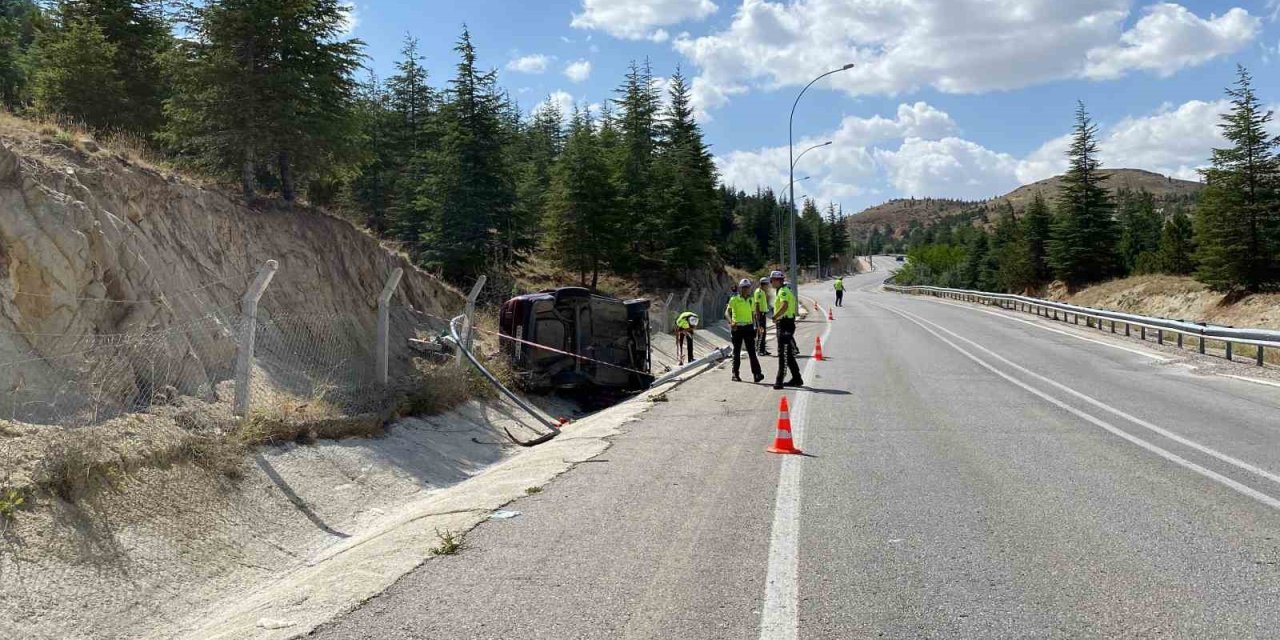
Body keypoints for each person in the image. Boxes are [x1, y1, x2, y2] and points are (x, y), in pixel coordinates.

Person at [725, 279, 765, 383]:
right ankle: (735, 374)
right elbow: (727, 313)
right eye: (744, 287)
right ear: (740, 288)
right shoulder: (734, 299)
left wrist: (758, 326)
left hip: (748, 327)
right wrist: (731, 322)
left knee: (752, 352)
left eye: (747, 287)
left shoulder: (751, 300)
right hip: (737, 327)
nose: (746, 289)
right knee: (736, 352)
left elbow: (754, 314)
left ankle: (757, 374)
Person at [771, 271, 804, 389]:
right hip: (786, 323)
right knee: (788, 354)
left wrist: (775, 316)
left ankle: (779, 381)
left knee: (783, 353)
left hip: (785, 324)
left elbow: (784, 305)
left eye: (772, 280)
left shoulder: (783, 291)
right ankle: (797, 378)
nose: (771, 282)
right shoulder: (783, 290)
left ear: (778, 280)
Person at [754, 276, 772, 356]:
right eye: (767, 284)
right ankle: (760, 350)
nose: (768, 286)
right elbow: (757, 305)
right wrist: (758, 317)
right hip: (760, 314)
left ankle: (763, 349)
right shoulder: (758, 292)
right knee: (761, 333)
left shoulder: (763, 292)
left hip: (763, 314)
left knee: (763, 333)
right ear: (764, 284)